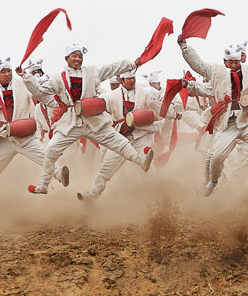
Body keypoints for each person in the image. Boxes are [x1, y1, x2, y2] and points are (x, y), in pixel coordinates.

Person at [22, 44, 155, 194]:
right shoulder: (57, 78)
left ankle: (141, 161)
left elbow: (110, 69)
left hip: (94, 120)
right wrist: (26, 77)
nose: (77, 59)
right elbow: (39, 92)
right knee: (51, 149)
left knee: (119, 141)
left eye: (80, 56)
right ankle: (43, 184)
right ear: (67, 58)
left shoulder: (92, 72)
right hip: (71, 123)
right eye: (74, 56)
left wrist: (131, 64)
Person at [178, 37, 248, 196]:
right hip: (226, 124)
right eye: (231, 62)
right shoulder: (215, 72)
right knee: (216, 157)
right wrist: (185, 48)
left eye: (237, 62)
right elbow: (199, 65)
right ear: (224, 61)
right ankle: (213, 181)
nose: (235, 65)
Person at [0, 58, 69, 203]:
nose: (7, 74)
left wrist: (59, 104)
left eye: (9, 71)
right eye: (3, 72)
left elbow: (39, 93)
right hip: (6, 139)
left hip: (26, 136)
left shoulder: (23, 84)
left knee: (46, 157)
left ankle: (60, 175)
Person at [78, 69, 162, 201]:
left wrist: (172, 107)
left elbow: (161, 95)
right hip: (119, 138)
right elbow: (96, 103)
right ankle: (92, 196)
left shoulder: (145, 91)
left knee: (149, 168)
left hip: (139, 136)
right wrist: (81, 107)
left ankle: (159, 200)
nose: (132, 80)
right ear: (120, 80)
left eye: (133, 77)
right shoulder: (111, 96)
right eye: (129, 78)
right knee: (105, 169)